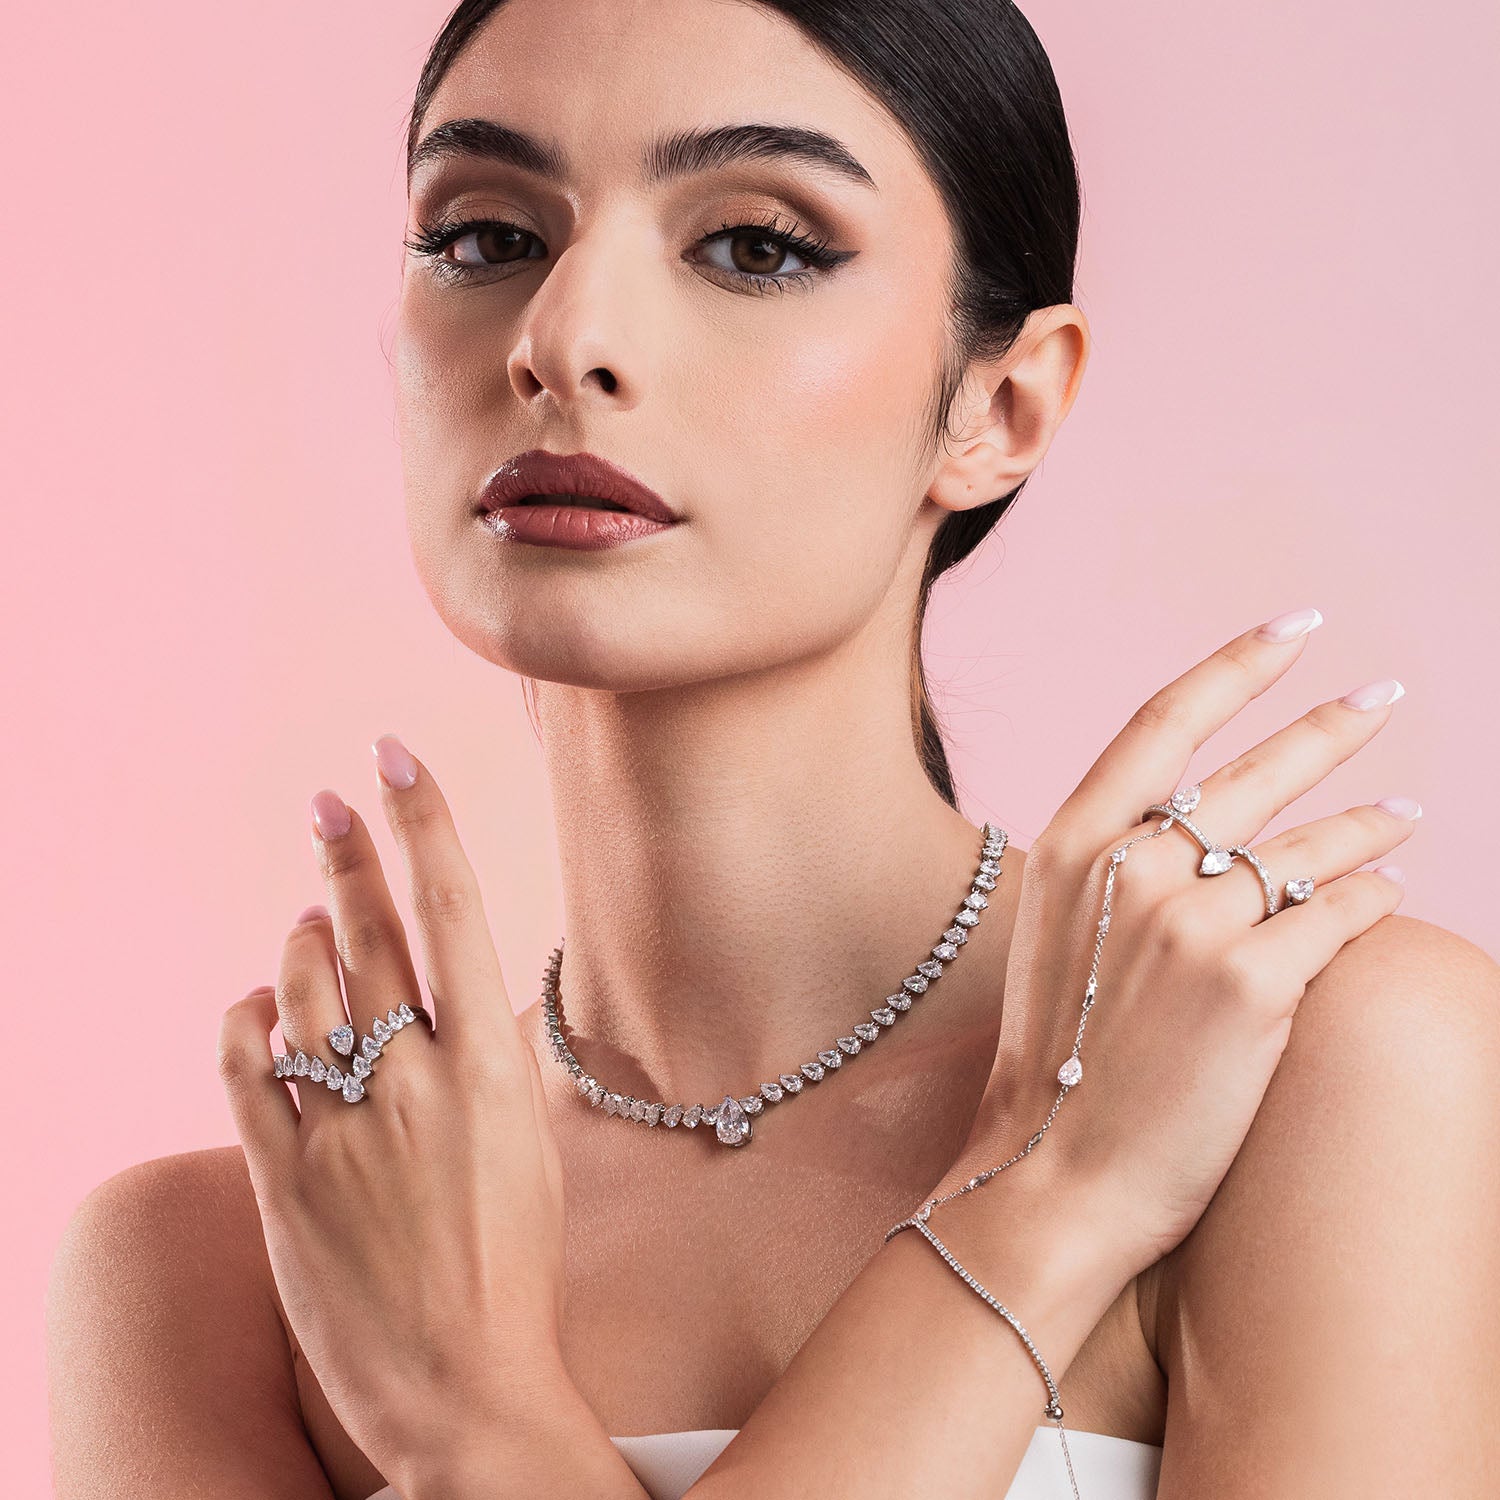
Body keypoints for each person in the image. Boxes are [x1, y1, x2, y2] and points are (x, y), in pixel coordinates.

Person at [47, 1, 1499, 1497]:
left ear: (1000, 405)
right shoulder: (221, 1273)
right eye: (485, 236)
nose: (565, 341)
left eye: (756, 247)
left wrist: (469, 1428)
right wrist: (1048, 1200)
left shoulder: (1301, 1065)